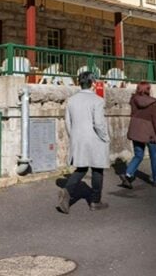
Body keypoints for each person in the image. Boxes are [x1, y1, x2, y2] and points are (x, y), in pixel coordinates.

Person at [57, 71, 110, 213]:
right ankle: (95, 201)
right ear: (93, 83)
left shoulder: (71, 100)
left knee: (81, 168)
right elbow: (98, 124)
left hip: (78, 138)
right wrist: (105, 137)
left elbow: (68, 122)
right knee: (97, 169)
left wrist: (74, 136)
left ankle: (67, 191)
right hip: (94, 139)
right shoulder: (98, 100)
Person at [119, 81, 156, 188]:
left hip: (136, 132)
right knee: (154, 155)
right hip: (150, 133)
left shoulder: (133, 101)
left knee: (138, 155)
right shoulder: (153, 104)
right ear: (148, 89)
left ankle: (128, 174)